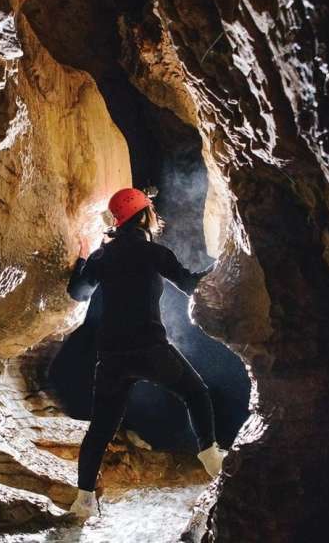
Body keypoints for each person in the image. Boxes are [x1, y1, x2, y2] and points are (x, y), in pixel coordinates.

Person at [65, 187, 226, 519]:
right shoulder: (154, 252)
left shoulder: (103, 256)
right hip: (150, 349)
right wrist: (223, 268)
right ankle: (210, 455)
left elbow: (78, 292)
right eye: (150, 209)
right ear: (143, 216)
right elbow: (190, 284)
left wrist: (83, 255)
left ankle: (83, 501)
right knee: (195, 393)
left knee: (100, 429)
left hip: (112, 357)